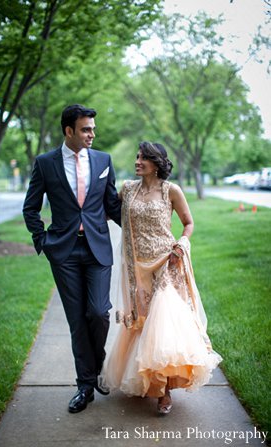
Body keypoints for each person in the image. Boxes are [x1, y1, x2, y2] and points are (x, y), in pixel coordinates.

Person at [99, 141, 222, 414]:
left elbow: (188, 223)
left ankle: (165, 393)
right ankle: (148, 381)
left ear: (157, 163)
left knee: (162, 325)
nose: (138, 161)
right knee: (142, 322)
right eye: (137, 156)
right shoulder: (127, 190)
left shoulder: (171, 191)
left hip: (166, 263)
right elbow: (107, 210)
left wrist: (182, 244)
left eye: (144, 158)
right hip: (136, 266)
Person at [23, 104, 121, 413]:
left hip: (97, 249)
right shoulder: (45, 163)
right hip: (63, 251)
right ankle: (85, 386)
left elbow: (112, 205)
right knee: (77, 321)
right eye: (86, 129)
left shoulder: (104, 160)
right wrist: (43, 241)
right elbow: (31, 207)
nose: (92, 133)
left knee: (98, 312)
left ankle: (99, 364)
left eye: (93, 128)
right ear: (69, 131)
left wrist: (142, 232)